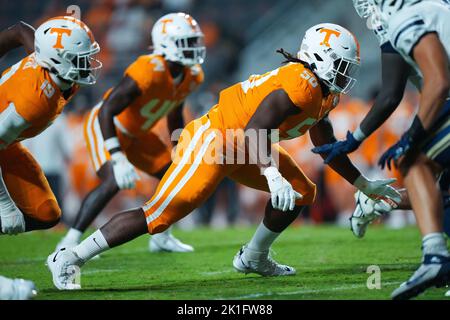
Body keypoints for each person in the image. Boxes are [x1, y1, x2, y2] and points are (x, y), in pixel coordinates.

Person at [47, 23, 401, 290]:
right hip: (215, 139)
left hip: (244, 143)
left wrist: (364, 184)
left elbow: (326, 149)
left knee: (301, 191)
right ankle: (69, 257)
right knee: (160, 214)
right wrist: (271, 174)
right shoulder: (301, 82)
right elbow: (253, 131)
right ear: (320, 57)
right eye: (340, 64)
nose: (345, 74)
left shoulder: (324, 93)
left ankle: (254, 256)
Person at [312, 0, 450, 300]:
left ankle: (435, 258)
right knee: (440, 187)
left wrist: (410, 136)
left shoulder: (405, 19)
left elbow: (420, 86)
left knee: (415, 164)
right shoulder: (436, 8)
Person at [56, 12, 205, 254]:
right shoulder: (149, 69)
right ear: (166, 43)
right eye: (186, 42)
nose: (193, 48)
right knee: (114, 180)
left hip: (139, 133)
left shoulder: (192, 75)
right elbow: (107, 110)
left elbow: (175, 115)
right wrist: (117, 156)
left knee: (174, 176)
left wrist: (180, 147)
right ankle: (69, 242)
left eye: (194, 42)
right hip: (107, 124)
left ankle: (161, 236)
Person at [0, 16, 101, 297]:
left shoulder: (59, 71)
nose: (87, 64)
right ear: (57, 60)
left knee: (46, 214)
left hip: (7, 143)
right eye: (79, 58)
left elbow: (20, 30)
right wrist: (5, 205)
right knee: (13, 214)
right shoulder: (34, 101)